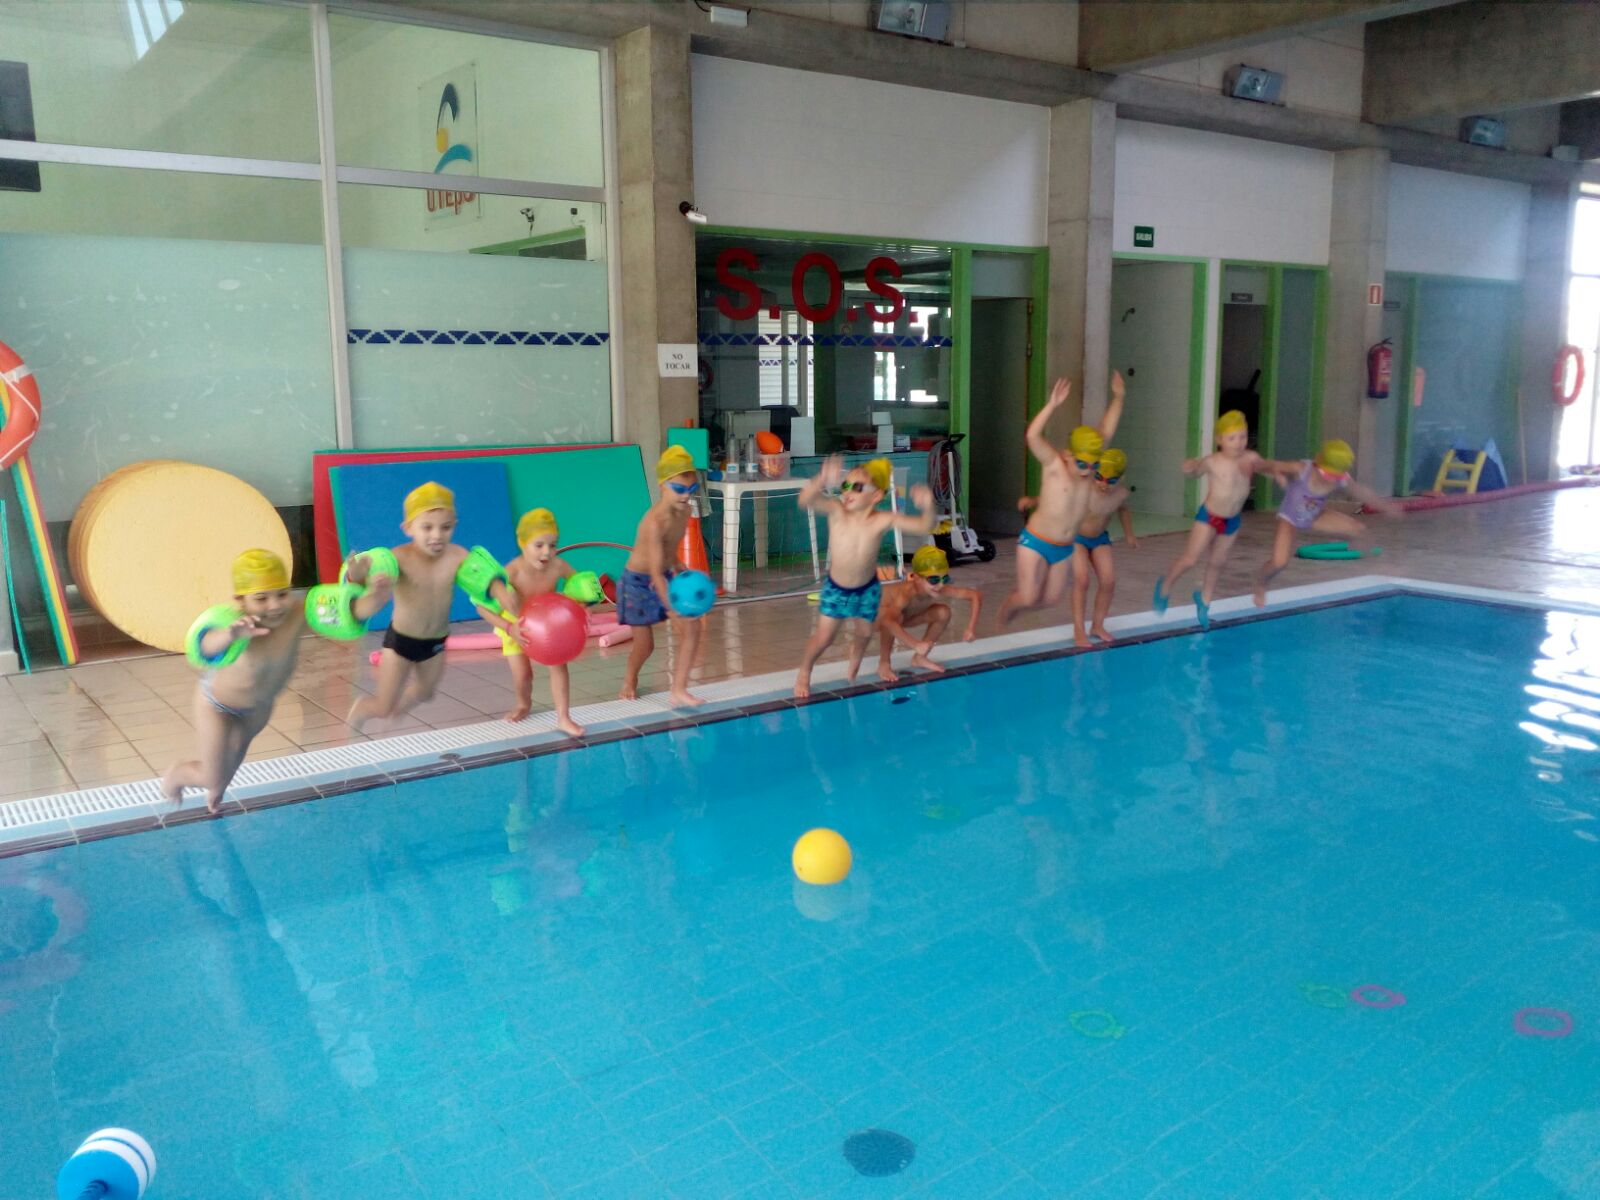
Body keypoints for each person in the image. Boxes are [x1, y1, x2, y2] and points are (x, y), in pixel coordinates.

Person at [163, 549, 392, 812]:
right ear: (241, 600)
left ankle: (217, 787)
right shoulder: (237, 624)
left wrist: (374, 595)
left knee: (231, 765)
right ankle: (178, 774)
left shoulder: (298, 612)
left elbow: (348, 610)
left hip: (258, 709)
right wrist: (231, 635)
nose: (274, 605)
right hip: (217, 707)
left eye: (282, 594)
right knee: (212, 775)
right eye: (261, 598)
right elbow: (205, 646)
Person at [346, 481, 515, 732]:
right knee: (382, 706)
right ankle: (363, 709)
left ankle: (398, 711)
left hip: (436, 642)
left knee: (426, 693)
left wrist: (500, 591)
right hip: (401, 642)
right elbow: (361, 585)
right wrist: (356, 574)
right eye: (427, 527)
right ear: (408, 528)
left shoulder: (457, 556)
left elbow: (482, 578)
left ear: (454, 524)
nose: (437, 535)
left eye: (445, 527)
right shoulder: (398, 558)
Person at [794, 456, 936, 698]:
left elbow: (924, 526)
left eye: (857, 487)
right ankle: (805, 671)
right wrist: (821, 479)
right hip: (837, 589)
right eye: (845, 485)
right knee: (824, 638)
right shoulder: (837, 511)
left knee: (866, 632)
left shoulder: (882, 519)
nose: (847, 492)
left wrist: (929, 504)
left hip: (867, 589)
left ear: (876, 495)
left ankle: (856, 657)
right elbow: (804, 499)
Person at [1000, 372, 1125, 626]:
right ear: (1069, 455)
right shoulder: (1054, 465)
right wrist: (1052, 405)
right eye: (1082, 464)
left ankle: (1022, 602)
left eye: (1094, 465)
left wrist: (1119, 397)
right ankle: (1009, 607)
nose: (1088, 471)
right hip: (1036, 541)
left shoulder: (1088, 466)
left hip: (1064, 547)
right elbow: (1032, 436)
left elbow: (1106, 429)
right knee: (1028, 597)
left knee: (1050, 600)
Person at [1151, 410, 1284, 630]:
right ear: (1219, 440)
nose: (1238, 443)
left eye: (1242, 437)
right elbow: (1194, 472)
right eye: (1232, 438)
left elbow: (1267, 468)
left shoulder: (1251, 458)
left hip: (1232, 521)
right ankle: (1165, 586)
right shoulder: (1213, 461)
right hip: (1209, 517)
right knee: (1190, 559)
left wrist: (1277, 475)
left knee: (1217, 562)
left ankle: (1204, 601)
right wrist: (1189, 467)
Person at [1253, 438, 1402, 606]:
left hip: (1316, 516)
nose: (1331, 480)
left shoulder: (1341, 477)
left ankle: (1376, 569)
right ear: (1318, 463)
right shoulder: (1301, 469)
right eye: (1328, 475)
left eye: (1335, 476)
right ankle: (1261, 583)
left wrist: (1385, 506)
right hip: (1290, 519)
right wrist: (1269, 470)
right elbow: (1272, 465)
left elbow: (1362, 492)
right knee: (1279, 562)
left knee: (1360, 529)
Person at [478, 507, 587, 735]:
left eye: (553, 545)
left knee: (559, 666)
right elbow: (483, 607)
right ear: (522, 543)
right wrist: (509, 628)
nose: (547, 552)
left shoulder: (558, 566)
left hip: (549, 628)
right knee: (523, 675)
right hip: (516, 627)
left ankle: (564, 717)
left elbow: (579, 586)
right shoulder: (512, 572)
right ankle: (523, 703)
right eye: (539, 545)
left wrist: (583, 607)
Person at [618, 446, 707, 707]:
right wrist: (672, 606)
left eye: (691, 489)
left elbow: (670, 550)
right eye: (679, 489)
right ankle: (629, 679)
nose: (686, 496)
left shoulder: (685, 511)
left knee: (691, 629)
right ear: (662, 486)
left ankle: (678, 689)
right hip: (637, 582)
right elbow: (655, 571)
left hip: (664, 574)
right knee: (645, 646)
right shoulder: (654, 522)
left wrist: (680, 567)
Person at [869, 544, 982, 683]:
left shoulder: (939, 587)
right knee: (893, 616)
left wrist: (971, 628)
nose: (940, 585)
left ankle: (919, 658)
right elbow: (887, 621)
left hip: (902, 618)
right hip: (872, 619)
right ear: (917, 578)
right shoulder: (906, 593)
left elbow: (975, 595)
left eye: (944, 579)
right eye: (934, 580)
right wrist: (915, 644)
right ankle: (884, 663)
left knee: (943, 612)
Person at [1070, 448, 1139, 647]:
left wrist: (1129, 534)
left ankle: (1097, 626)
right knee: (1081, 580)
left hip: (1100, 539)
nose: (1104, 484)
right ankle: (1079, 629)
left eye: (1111, 481)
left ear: (1120, 479)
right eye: (1099, 478)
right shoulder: (1083, 487)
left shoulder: (1121, 494)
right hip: (1076, 538)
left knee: (1108, 581)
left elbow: (1124, 511)